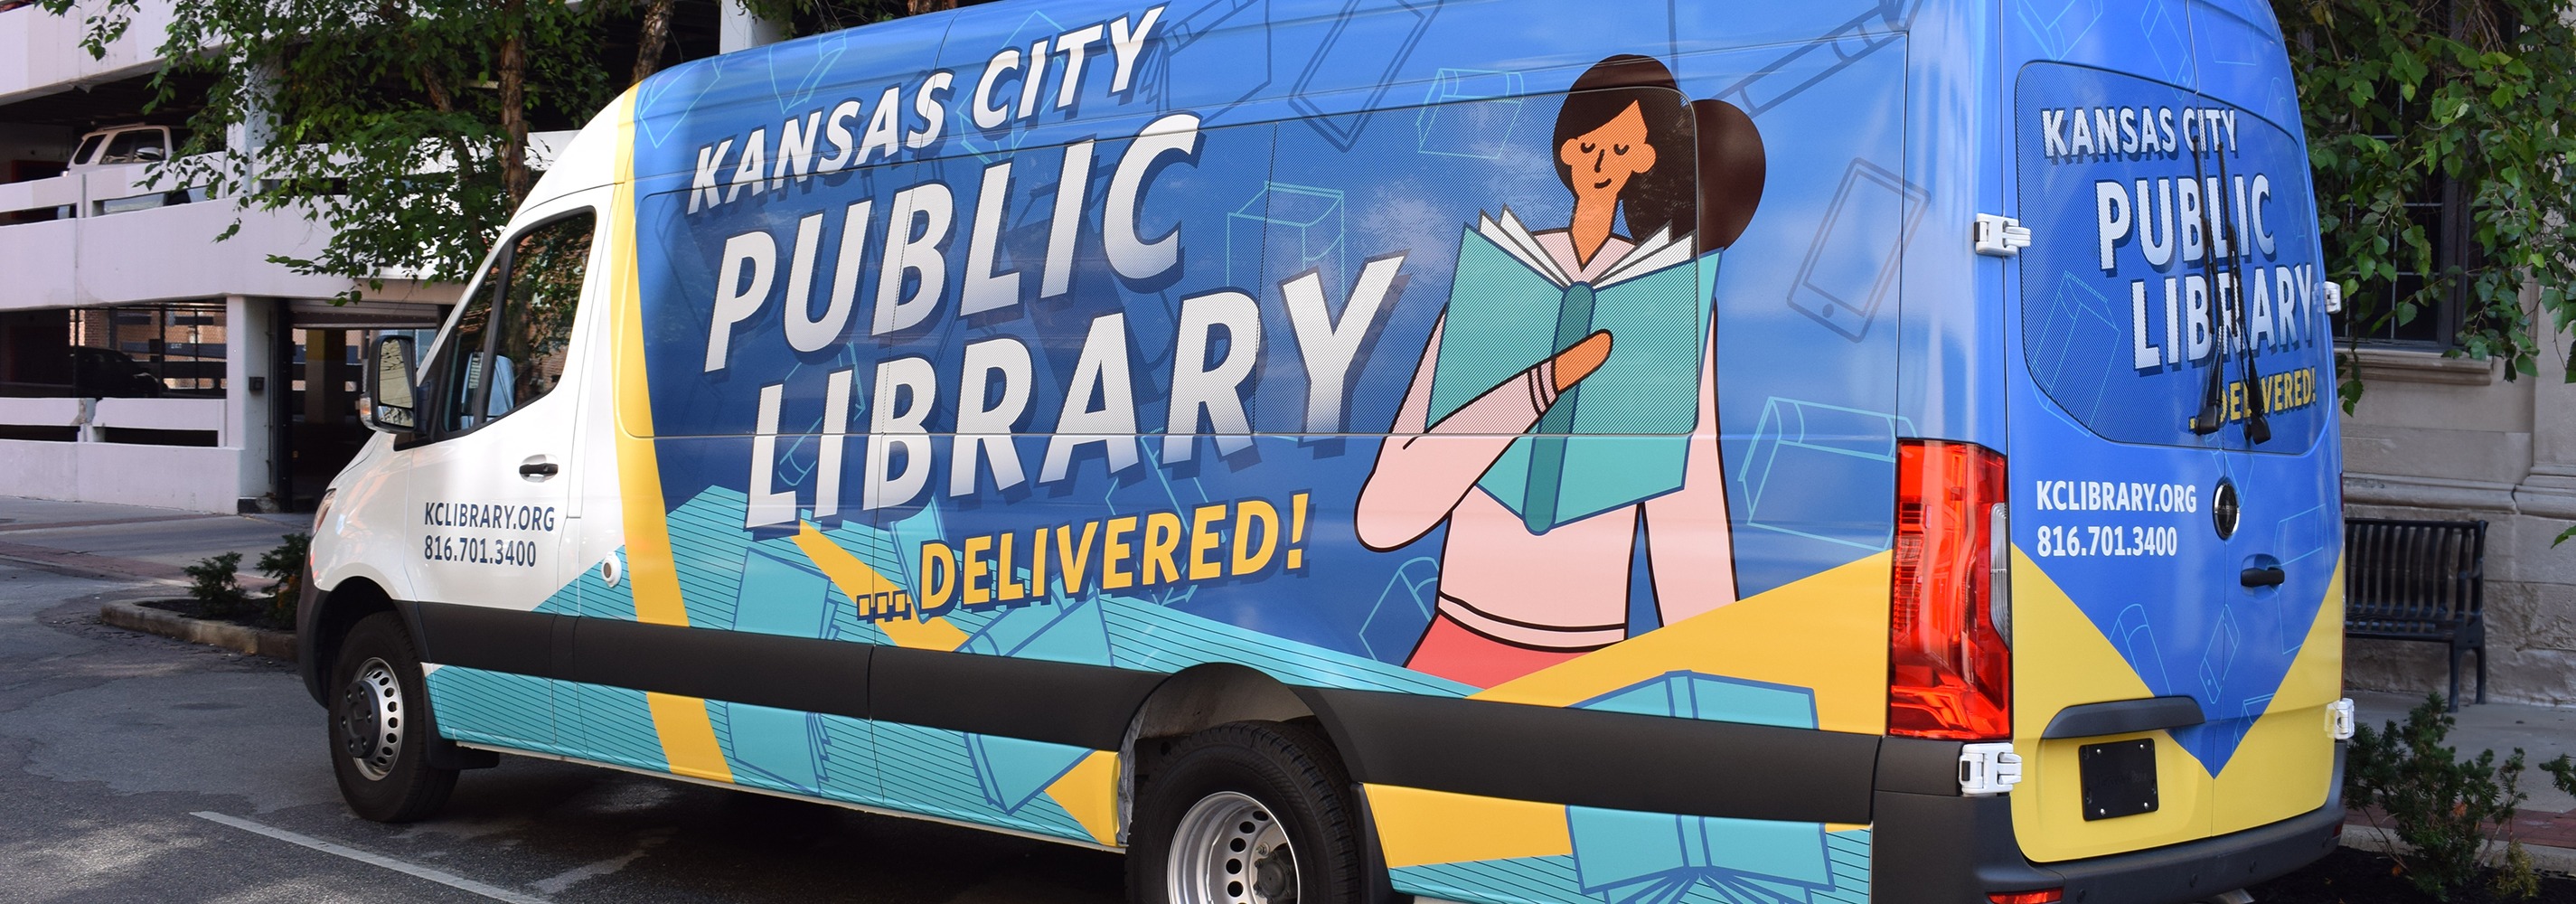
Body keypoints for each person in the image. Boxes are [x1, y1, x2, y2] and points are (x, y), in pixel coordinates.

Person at [1354, 54, 1757, 689]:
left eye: (1621, 146)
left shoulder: (1666, 303)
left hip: (1593, 656)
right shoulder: (1503, 275)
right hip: (1461, 634)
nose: (1597, 159)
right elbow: (1384, 515)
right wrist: (1541, 385)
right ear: (1565, 149)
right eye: (1585, 141)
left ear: (1648, 161)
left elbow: (1690, 504)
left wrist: (1721, 678)